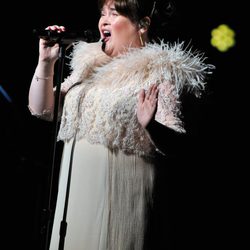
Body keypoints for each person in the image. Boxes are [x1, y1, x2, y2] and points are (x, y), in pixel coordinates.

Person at [28, 0, 214, 249]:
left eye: (113, 14)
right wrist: (46, 62)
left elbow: (181, 148)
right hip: (77, 195)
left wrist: (151, 126)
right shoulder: (89, 66)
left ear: (142, 25)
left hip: (122, 194)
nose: (103, 21)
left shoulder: (159, 71)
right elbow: (42, 110)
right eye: (102, 14)